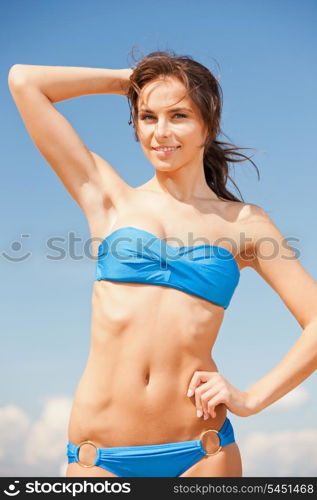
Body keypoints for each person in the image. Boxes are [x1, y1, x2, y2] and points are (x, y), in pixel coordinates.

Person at [8, 50, 317, 478]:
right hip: (99, 461)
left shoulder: (246, 224)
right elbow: (25, 82)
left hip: (203, 454)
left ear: (207, 123)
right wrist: (129, 81)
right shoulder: (108, 196)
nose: (161, 132)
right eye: (148, 117)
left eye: (179, 116)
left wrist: (253, 398)